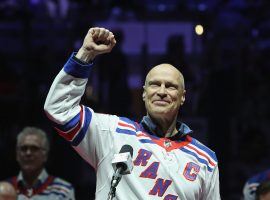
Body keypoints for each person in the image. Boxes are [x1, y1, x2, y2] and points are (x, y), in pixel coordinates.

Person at [44, 27, 221, 199]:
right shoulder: (112, 133)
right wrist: (85, 54)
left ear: (182, 97)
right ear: (144, 93)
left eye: (170, 86)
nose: (161, 91)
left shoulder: (205, 159)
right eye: (154, 84)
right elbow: (59, 109)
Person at [6, 126, 75, 199]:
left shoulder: (63, 191)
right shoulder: (5, 189)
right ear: (17, 154)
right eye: (23, 148)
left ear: (45, 155)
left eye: (34, 148)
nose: (28, 153)